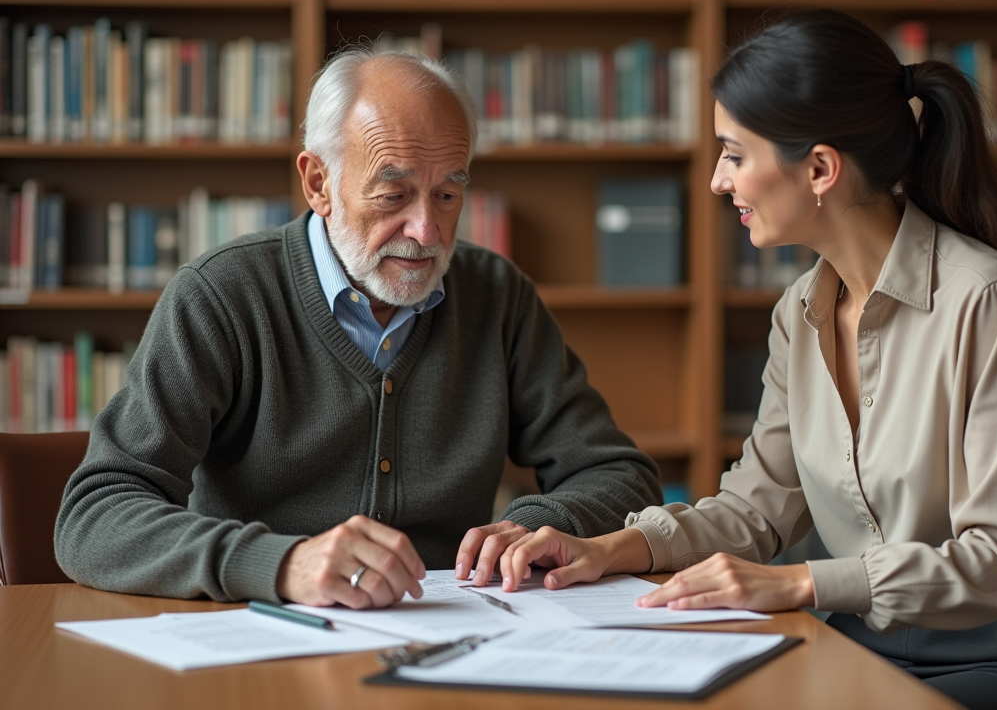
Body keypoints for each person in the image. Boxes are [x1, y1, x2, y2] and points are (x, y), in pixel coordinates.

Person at [497, 10, 997, 710]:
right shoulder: (799, 313)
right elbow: (756, 509)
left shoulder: (988, 300)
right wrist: (610, 550)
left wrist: (801, 584)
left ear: (819, 168)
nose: (716, 182)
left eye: (734, 155)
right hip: (863, 646)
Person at [54, 45, 661, 609]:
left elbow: (622, 477)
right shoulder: (221, 296)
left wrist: (535, 525)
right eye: (393, 195)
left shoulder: (497, 297)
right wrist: (282, 563)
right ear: (319, 182)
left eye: (447, 196)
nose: (426, 231)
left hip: (453, 637)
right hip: (267, 643)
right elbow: (94, 517)